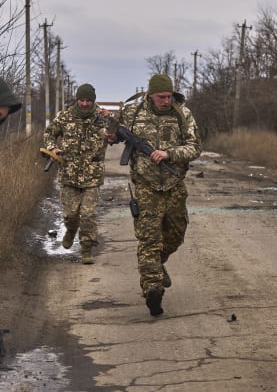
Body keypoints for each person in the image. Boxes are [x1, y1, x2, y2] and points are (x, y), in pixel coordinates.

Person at [111, 74, 201, 316]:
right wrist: (110, 132)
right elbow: (110, 135)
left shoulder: (182, 114)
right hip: (145, 186)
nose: (165, 100)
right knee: (149, 239)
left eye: (169, 96)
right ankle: (153, 288)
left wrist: (169, 153)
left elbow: (195, 147)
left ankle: (156, 267)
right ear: (150, 94)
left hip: (174, 185)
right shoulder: (132, 113)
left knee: (175, 235)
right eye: (161, 96)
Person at [43, 83, 110, 264]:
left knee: (88, 214)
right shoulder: (65, 116)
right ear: (77, 99)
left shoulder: (103, 118)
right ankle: (71, 229)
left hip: (92, 176)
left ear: (93, 101)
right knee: (70, 214)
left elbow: (119, 133)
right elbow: (49, 134)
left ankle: (86, 249)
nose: (85, 104)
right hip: (69, 174)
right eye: (82, 100)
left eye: (89, 100)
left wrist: (112, 119)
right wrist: (53, 148)